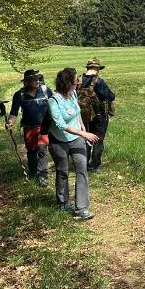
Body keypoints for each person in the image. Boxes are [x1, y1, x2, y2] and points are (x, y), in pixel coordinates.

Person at [48, 67, 98, 220]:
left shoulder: (73, 94)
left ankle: (81, 208)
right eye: (76, 79)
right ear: (68, 82)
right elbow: (61, 124)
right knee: (63, 171)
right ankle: (63, 203)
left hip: (76, 139)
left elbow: (77, 113)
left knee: (82, 169)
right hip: (59, 141)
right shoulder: (54, 100)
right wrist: (84, 133)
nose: (79, 81)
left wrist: (82, 126)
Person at [6, 69, 52, 186]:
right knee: (32, 152)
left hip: (44, 127)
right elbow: (14, 112)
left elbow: (55, 105)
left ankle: (42, 176)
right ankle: (32, 172)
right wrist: (10, 122)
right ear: (26, 81)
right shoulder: (19, 95)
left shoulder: (46, 91)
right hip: (29, 128)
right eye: (34, 79)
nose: (37, 80)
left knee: (42, 150)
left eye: (38, 78)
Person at [81, 57, 115, 172]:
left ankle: (83, 163)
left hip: (83, 115)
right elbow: (111, 96)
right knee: (98, 139)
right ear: (96, 68)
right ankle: (95, 165)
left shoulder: (79, 80)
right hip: (99, 115)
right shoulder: (98, 81)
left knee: (86, 138)